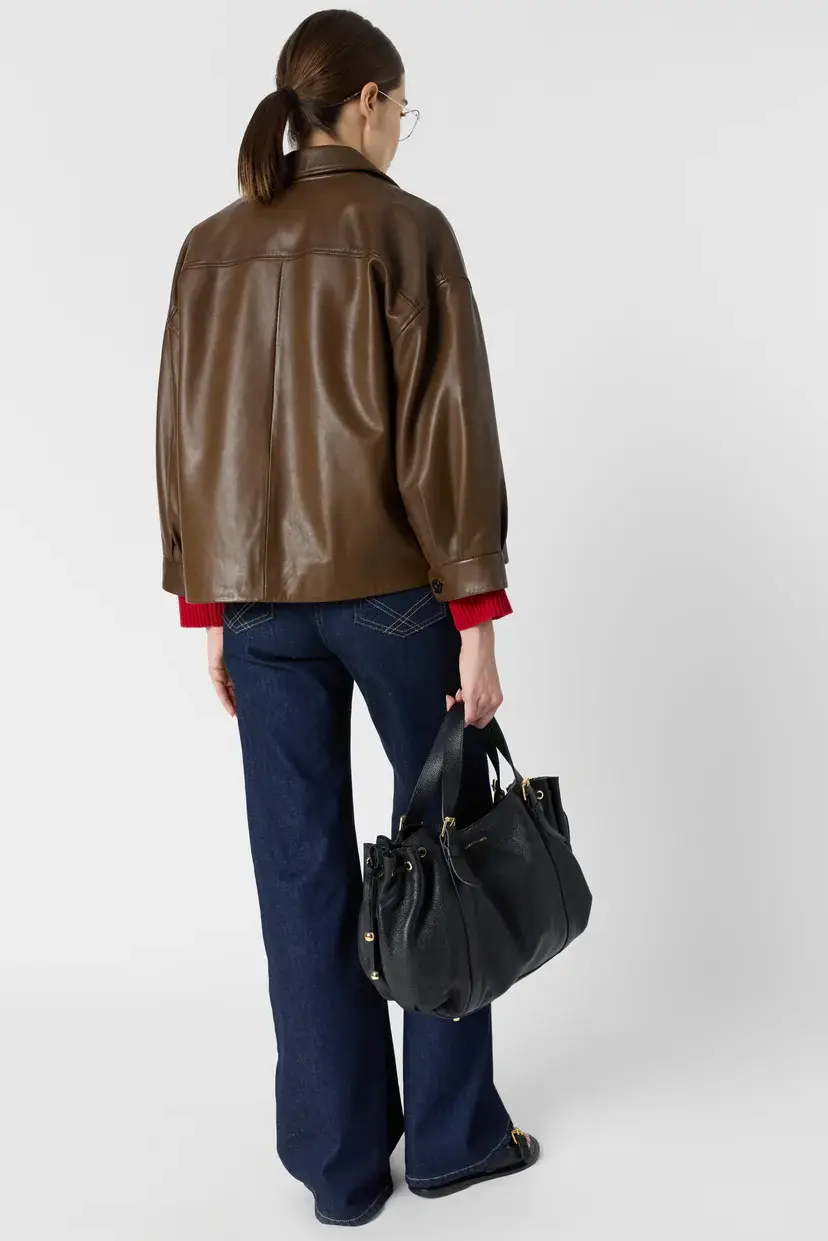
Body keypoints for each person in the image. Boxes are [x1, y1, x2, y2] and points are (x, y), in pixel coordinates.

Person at [154, 7, 539, 1227]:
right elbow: (447, 433)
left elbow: (186, 437)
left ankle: (340, 1163)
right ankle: (453, 1138)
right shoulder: (406, 230)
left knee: (301, 875)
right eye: (402, 107)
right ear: (366, 102)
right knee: (448, 851)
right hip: (393, 600)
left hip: (258, 611)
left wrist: (209, 607)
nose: (401, 128)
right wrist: (476, 613)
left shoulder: (210, 247)